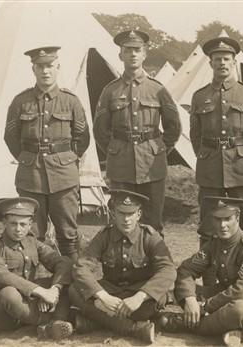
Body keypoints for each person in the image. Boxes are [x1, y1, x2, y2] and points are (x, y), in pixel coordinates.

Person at [158, 197, 243, 346]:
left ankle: (184, 323)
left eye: (227, 219)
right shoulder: (214, 244)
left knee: (238, 310)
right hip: (226, 297)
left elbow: (242, 292)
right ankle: (222, 327)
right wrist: (190, 299)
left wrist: (204, 307)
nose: (222, 225)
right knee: (183, 290)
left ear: (237, 218)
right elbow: (186, 270)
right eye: (217, 219)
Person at [4, 46, 89, 260]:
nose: (45, 71)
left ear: (58, 67)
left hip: (64, 177)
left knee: (68, 234)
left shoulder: (71, 101)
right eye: (40, 66)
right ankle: (33, 286)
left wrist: (65, 159)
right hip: (30, 176)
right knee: (32, 233)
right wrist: (27, 158)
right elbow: (11, 137)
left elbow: (82, 138)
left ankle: (70, 283)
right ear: (33, 69)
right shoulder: (20, 101)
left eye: (49, 66)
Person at [93, 30, 181, 235]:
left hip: (152, 165)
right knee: (122, 220)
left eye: (137, 50)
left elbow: (173, 127)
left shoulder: (157, 89)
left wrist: (157, 150)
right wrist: (115, 150)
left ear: (144, 54)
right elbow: (100, 130)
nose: (132, 54)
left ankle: (154, 265)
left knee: (153, 222)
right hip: (121, 165)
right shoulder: (110, 90)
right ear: (120, 55)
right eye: (127, 50)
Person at [190, 37, 243, 251]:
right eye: (217, 59)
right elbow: (196, 136)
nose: (222, 63)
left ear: (234, 62)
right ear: (210, 63)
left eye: (226, 59)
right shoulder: (200, 96)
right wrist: (208, 155)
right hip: (210, 169)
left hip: (241, 169)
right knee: (208, 226)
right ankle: (208, 279)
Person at [69, 189, 177, 343]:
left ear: (138, 215)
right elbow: (81, 267)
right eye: (121, 213)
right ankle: (135, 329)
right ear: (113, 213)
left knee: (157, 299)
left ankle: (94, 321)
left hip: (140, 297)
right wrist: (103, 296)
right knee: (74, 291)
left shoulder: (149, 236)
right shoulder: (104, 236)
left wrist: (139, 297)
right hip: (111, 295)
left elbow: (168, 270)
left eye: (131, 214)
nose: (126, 219)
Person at [0, 197, 74, 341]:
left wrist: (54, 290)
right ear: (4, 223)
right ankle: (54, 321)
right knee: (9, 292)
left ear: (30, 225)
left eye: (23, 224)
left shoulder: (32, 242)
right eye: (13, 224)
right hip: (5, 311)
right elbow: (0, 274)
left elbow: (63, 262)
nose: (18, 229)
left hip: (29, 302)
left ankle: (52, 323)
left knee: (65, 280)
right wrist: (40, 291)